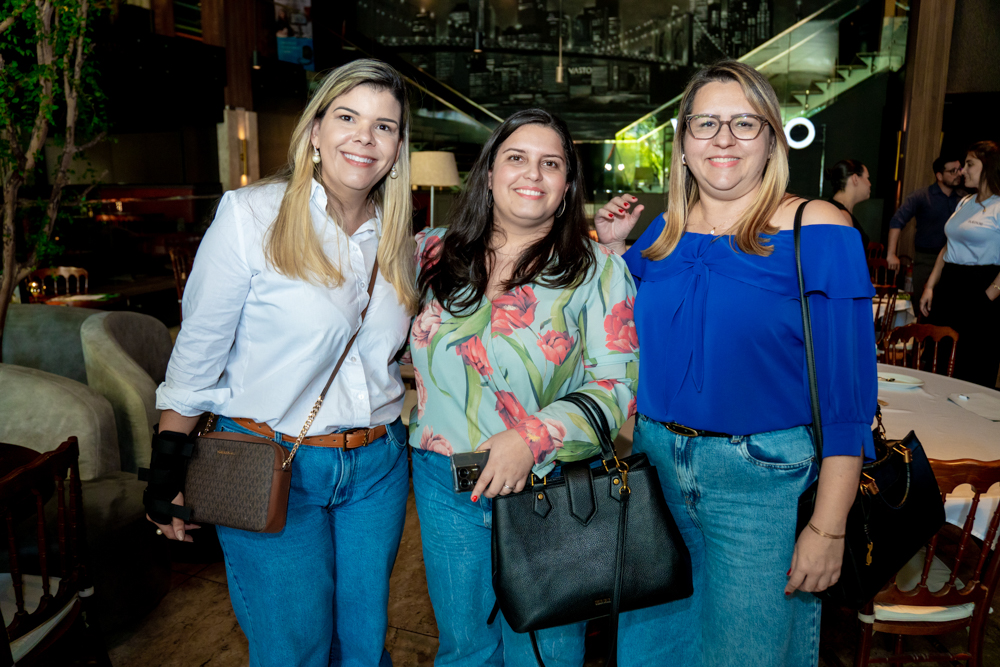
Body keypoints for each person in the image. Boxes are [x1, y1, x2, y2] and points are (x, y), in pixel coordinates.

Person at [595, 60, 876, 666]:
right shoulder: (662, 232)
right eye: (706, 123)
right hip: (654, 472)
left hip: (760, 482)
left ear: (771, 139)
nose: (723, 138)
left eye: (744, 123)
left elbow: (848, 398)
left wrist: (829, 526)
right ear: (683, 142)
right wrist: (613, 251)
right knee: (652, 654)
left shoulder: (819, 227)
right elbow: (621, 338)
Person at [145, 59, 417, 666]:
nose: (364, 138)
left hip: (377, 466)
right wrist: (166, 467)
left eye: (384, 126)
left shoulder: (398, 235)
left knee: (364, 648)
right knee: (293, 650)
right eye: (347, 118)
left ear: (398, 147)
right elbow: (198, 353)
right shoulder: (251, 216)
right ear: (315, 130)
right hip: (268, 462)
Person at [408, 108, 638, 667]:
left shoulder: (598, 270)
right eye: (516, 158)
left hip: (550, 487)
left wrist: (529, 439)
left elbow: (616, 387)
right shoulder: (430, 252)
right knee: (464, 651)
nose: (533, 173)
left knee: (547, 656)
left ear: (567, 187)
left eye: (550, 163)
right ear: (489, 174)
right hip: (444, 484)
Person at [919, 140, 1000, 389]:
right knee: (938, 361)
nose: (963, 170)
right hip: (949, 285)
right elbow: (947, 247)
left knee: (971, 365)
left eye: (969, 164)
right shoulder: (965, 202)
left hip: (980, 287)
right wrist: (930, 286)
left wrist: (988, 296)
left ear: (988, 167)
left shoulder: (998, 206)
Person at [886, 155, 964, 297]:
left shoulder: (964, 199)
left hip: (955, 260)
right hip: (926, 259)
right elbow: (897, 221)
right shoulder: (921, 196)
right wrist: (891, 254)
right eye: (953, 171)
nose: (959, 174)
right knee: (922, 302)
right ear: (939, 176)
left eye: (959, 169)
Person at [827, 158, 872, 253]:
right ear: (855, 179)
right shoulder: (842, 216)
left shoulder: (836, 210)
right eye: (867, 178)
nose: (869, 184)